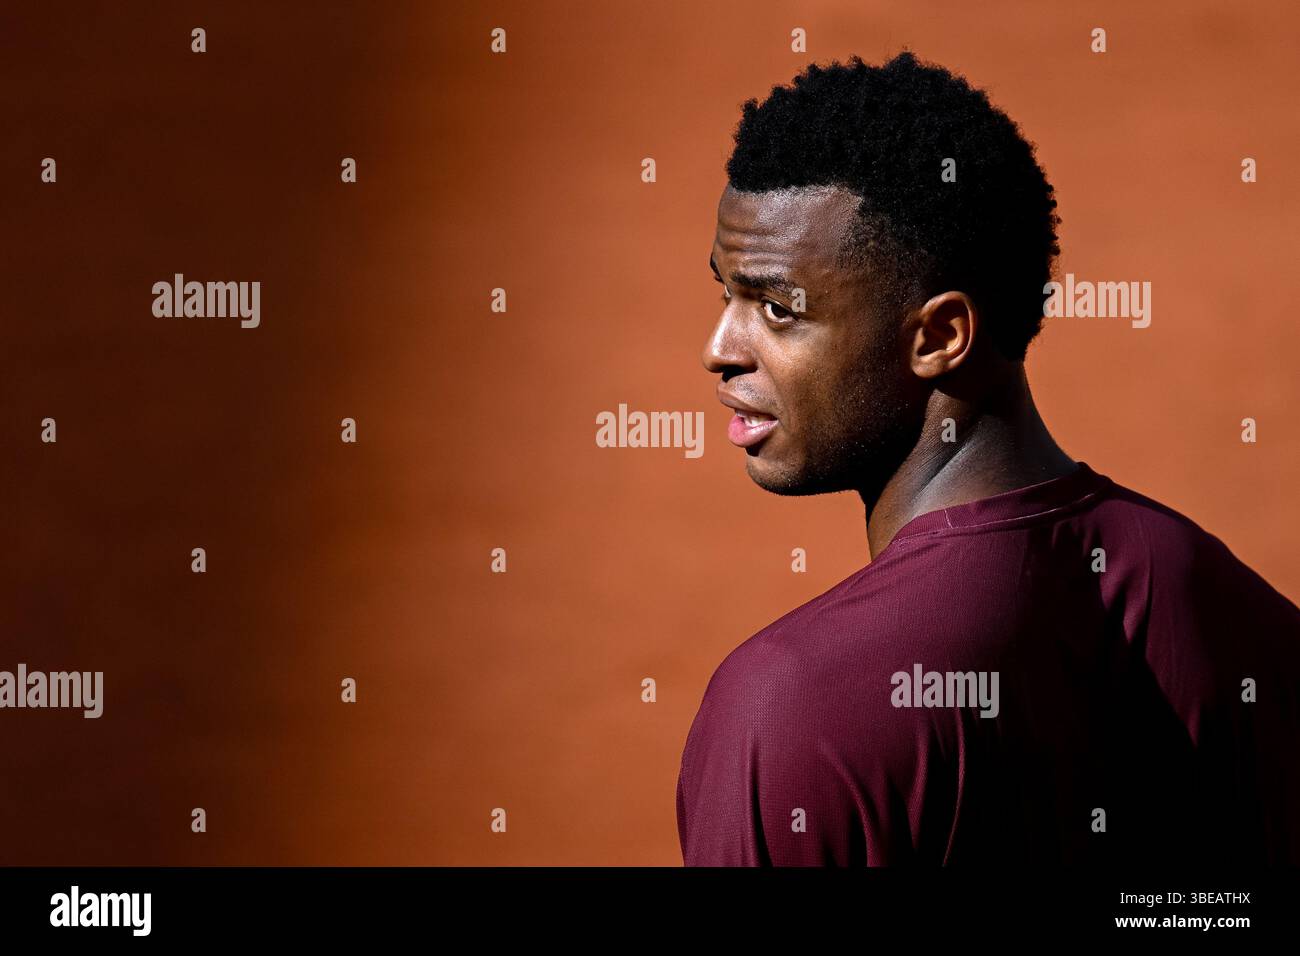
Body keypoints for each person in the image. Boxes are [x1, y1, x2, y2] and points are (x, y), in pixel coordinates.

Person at [677, 51, 1300, 865]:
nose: (718, 350)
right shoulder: (1207, 586)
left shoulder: (787, 706)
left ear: (940, 336)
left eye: (776, 308)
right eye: (725, 294)